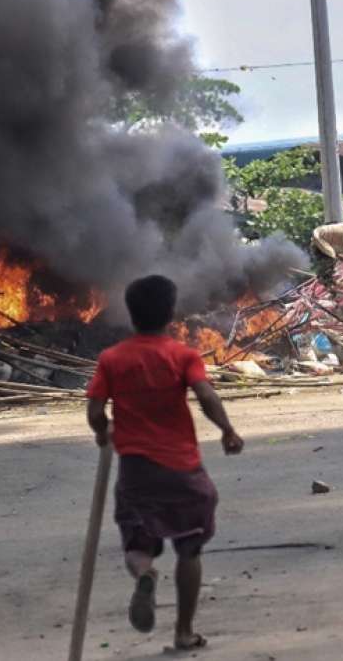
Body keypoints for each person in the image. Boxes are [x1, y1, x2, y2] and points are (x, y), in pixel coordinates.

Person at [85, 274, 245, 651]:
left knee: (138, 542)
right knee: (189, 547)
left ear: (131, 314)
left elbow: (94, 409)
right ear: (171, 313)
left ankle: (145, 574)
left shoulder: (112, 359)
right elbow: (205, 395)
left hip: (136, 469)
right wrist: (227, 430)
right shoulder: (182, 355)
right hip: (182, 468)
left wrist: (102, 430)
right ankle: (183, 631)